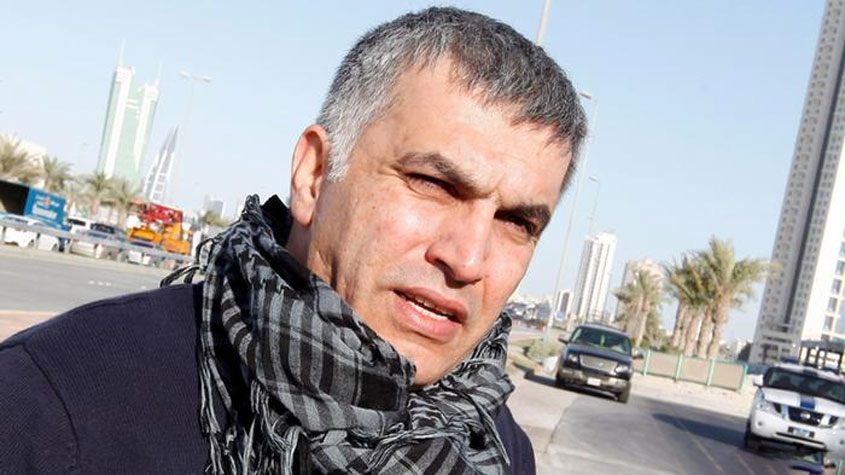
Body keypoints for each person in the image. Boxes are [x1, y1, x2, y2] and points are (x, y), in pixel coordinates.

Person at [0, 7, 585, 474]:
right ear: (314, 175)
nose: (468, 259)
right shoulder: (58, 405)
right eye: (432, 184)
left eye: (517, 222)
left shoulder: (496, 447)